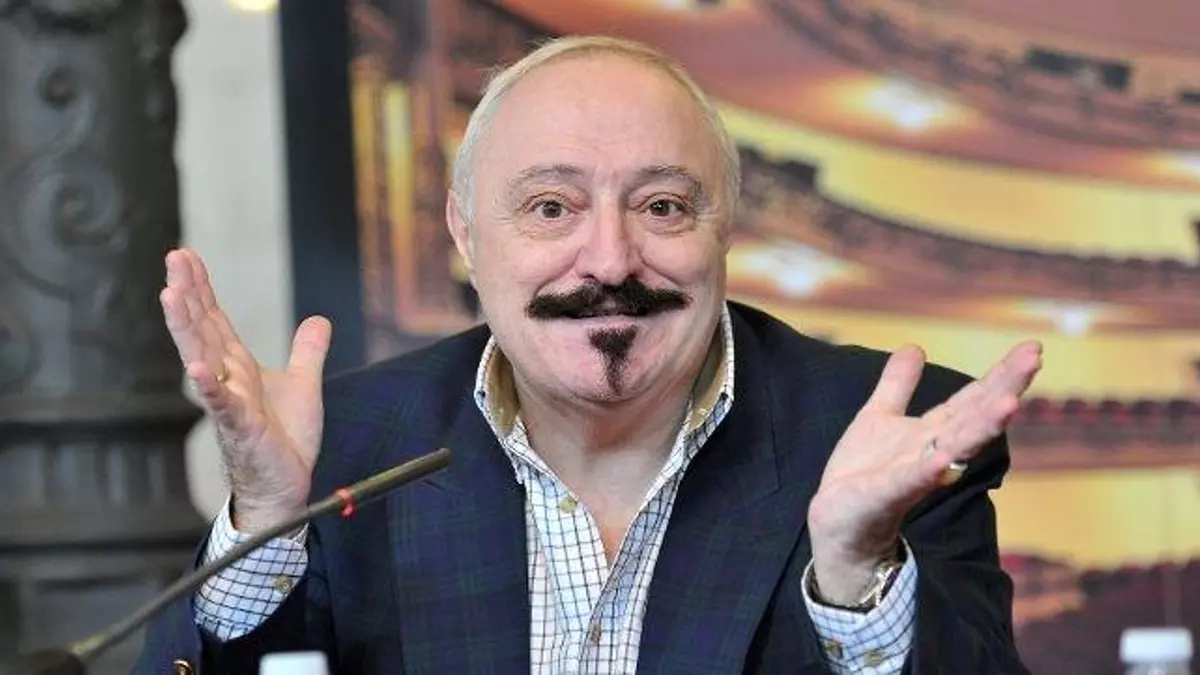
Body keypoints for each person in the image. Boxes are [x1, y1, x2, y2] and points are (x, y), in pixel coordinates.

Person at [137, 35, 1040, 674]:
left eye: (662, 207)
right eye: (551, 208)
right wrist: (264, 523)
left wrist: (855, 577)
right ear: (465, 232)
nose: (610, 261)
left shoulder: (880, 438)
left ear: (725, 228)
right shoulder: (349, 446)